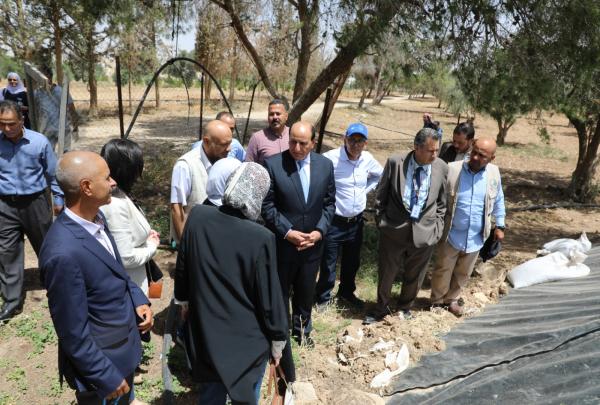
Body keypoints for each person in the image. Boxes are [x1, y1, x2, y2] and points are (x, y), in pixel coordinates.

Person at [39, 151, 153, 405]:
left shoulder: (96, 220)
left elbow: (116, 270)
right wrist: (104, 375)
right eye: (107, 177)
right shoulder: (62, 254)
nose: (113, 182)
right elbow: (71, 331)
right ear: (87, 187)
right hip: (103, 368)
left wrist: (138, 299)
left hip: (121, 350)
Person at [175, 162, 288, 405]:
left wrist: (183, 301)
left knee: (210, 395)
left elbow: (183, 265)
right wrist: (278, 339)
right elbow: (269, 296)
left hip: (206, 331)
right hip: (246, 342)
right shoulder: (261, 237)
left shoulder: (198, 216)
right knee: (246, 398)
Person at [262, 121, 336, 384]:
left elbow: (329, 204)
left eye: (302, 143)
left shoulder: (325, 166)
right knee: (281, 292)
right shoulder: (273, 165)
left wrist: (319, 232)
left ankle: (303, 331)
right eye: (292, 141)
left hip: (312, 245)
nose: (296, 147)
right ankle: (280, 337)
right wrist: (288, 232)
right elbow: (268, 206)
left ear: (313, 143)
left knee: (306, 290)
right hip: (284, 245)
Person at [363, 128, 448, 325]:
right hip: (394, 230)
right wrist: (382, 221)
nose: (435, 155)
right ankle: (381, 308)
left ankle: (404, 308)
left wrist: (437, 229)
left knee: (415, 274)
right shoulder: (396, 162)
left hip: (425, 232)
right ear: (416, 147)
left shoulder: (441, 167)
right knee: (387, 273)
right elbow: (381, 194)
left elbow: (442, 203)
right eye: (430, 150)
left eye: (437, 150)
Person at [0, 100, 63, 322]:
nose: (7, 128)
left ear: (22, 120)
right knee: (7, 252)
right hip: (5, 205)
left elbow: (52, 173)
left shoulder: (39, 142)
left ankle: (56, 287)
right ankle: (12, 301)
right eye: (2, 124)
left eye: (11, 123)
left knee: (45, 245)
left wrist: (58, 198)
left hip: (35, 202)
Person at [430, 137, 506, 316]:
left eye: (482, 156)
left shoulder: (494, 174)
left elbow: (499, 200)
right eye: (474, 152)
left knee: (464, 272)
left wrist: (500, 225)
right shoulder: (452, 169)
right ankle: (437, 301)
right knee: (443, 269)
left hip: (476, 235)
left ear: (491, 158)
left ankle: (451, 299)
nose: (476, 157)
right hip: (451, 232)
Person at [315, 122, 383, 310]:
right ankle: (323, 297)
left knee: (352, 261)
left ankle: (346, 293)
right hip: (334, 222)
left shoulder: (367, 159)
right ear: (345, 139)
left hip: (356, 222)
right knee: (328, 262)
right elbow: (314, 177)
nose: (355, 144)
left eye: (360, 141)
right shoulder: (331, 158)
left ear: (365, 143)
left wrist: (365, 190)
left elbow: (380, 175)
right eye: (352, 140)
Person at [99, 139, 160, 295]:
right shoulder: (113, 204)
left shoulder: (120, 193)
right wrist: (152, 245)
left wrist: (146, 233)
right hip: (129, 289)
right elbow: (126, 258)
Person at [170, 119, 232, 243]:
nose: (229, 149)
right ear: (206, 141)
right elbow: (176, 208)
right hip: (194, 240)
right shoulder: (185, 166)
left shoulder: (224, 160)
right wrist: (185, 245)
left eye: (230, 143)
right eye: (224, 144)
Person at [35, 65, 79, 152]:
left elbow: (72, 110)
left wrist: (75, 128)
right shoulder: (38, 93)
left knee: (65, 154)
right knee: (47, 153)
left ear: (49, 76)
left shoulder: (60, 91)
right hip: (47, 129)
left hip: (63, 129)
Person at [245, 99, 290, 165]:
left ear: (286, 116)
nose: (275, 117)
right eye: (271, 114)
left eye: (278, 114)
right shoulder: (257, 138)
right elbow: (249, 165)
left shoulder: (293, 135)